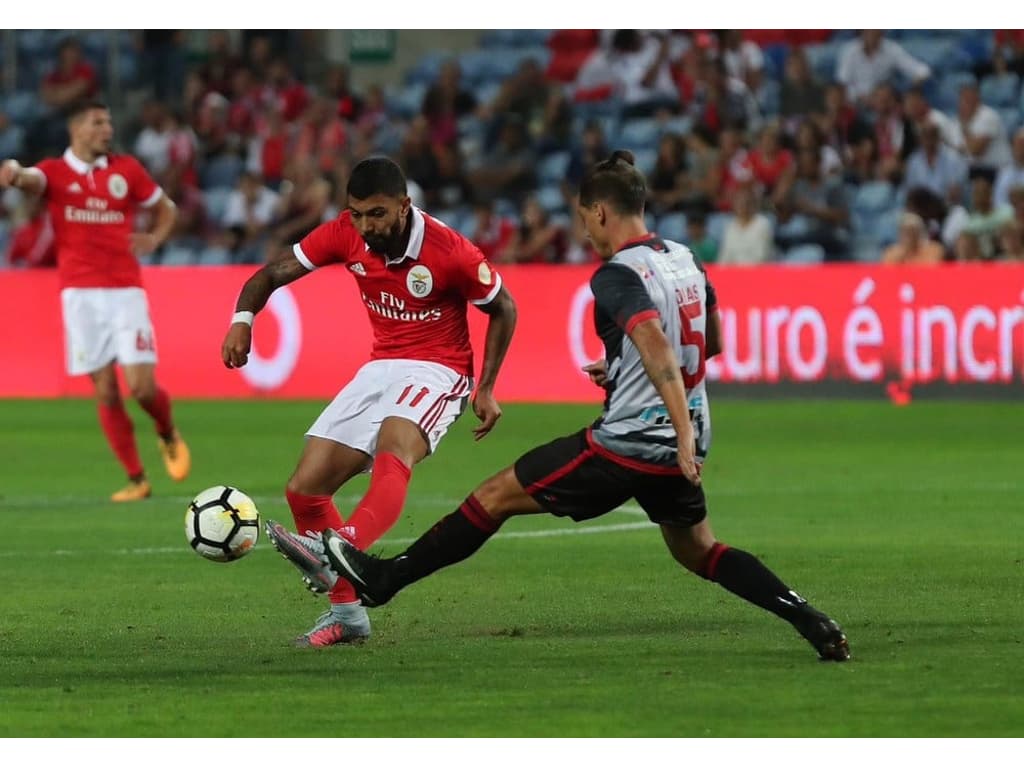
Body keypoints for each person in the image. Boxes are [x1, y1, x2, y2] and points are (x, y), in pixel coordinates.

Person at [319, 150, 850, 663]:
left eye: (583, 220)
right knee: (699, 550)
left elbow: (657, 344)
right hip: (679, 442)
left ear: (600, 211)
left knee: (495, 495)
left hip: (632, 443)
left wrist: (676, 424)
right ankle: (809, 618)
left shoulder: (618, 273)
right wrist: (626, 373)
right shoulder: (685, 258)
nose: (584, 233)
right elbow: (709, 343)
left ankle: (386, 579)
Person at [223, 156, 517, 647]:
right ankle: (348, 614)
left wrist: (486, 386)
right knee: (305, 489)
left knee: (393, 444)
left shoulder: (450, 251)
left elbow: (503, 307)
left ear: (405, 206)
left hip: (441, 368)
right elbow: (271, 274)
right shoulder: (345, 233)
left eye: (376, 214)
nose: (365, 226)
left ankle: (345, 548)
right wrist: (242, 320)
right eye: (356, 213)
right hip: (381, 366)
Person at [0, 99, 190, 501]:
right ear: (77, 129)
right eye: (97, 122)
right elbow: (31, 179)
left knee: (140, 387)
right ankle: (137, 478)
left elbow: (166, 208)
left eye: (108, 121)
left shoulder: (127, 170)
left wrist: (154, 238)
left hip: (125, 291)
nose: (107, 129)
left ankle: (166, 431)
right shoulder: (54, 171)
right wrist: (14, 173)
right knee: (105, 390)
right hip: (80, 295)